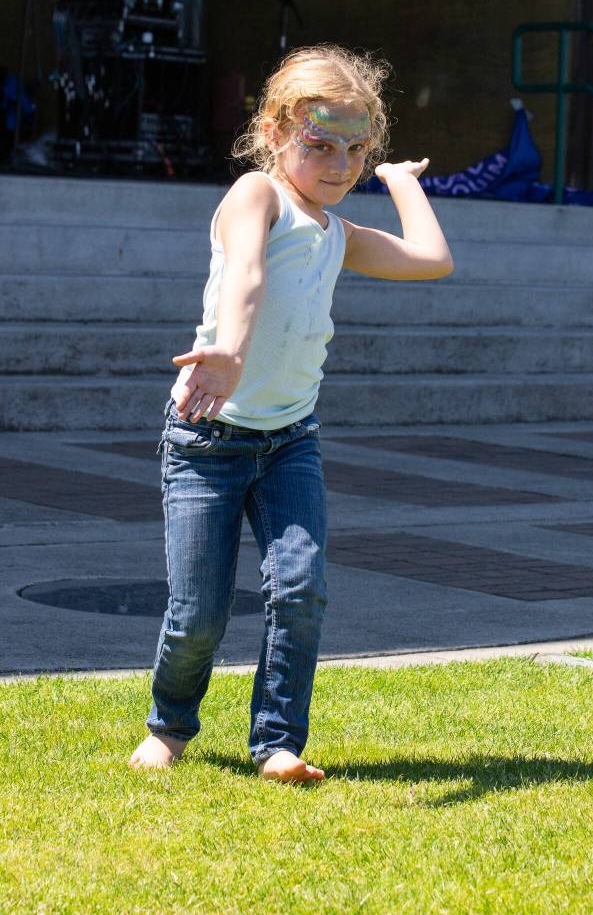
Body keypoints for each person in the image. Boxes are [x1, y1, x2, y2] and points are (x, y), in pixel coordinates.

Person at [129, 44, 454, 783]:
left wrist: (399, 181)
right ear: (274, 131)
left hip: (288, 444)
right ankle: (170, 725)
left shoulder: (339, 236)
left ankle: (276, 743)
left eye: (356, 147)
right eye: (319, 144)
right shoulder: (257, 196)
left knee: (300, 587)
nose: (338, 163)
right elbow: (245, 274)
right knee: (200, 614)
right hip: (207, 441)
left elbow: (432, 259)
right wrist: (231, 352)